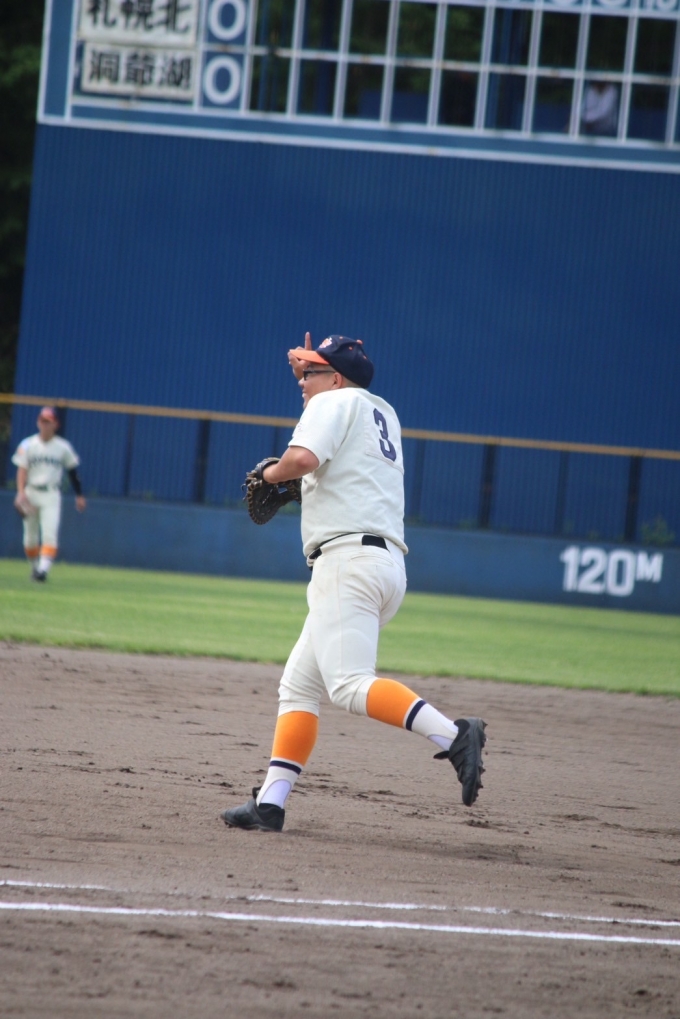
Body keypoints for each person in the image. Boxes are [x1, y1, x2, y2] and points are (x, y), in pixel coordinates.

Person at [221, 334, 486, 833]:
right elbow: (332, 455)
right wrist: (309, 372)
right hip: (383, 565)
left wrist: (272, 473)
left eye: (313, 373)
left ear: (336, 378)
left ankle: (454, 735)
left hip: (346, 563)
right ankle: (270, 805)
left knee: (347, 685)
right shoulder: (380, 411)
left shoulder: (333, 402)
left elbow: (302, 460)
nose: (303, 381)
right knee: (299, 686)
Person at [12, 407, 86, 582]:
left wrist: (79, 495)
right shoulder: (27, 444)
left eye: (48, 422)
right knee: (30, 538)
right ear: (38, 422)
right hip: (31, 492)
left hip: (51, 493)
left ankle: (43, 571)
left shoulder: (63, 446)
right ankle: (35, 568)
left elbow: (72, 471)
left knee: (49, 533)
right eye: (42, 421)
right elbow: (22, 470)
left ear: (55, 424)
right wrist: (20, 493)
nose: (45, 425)